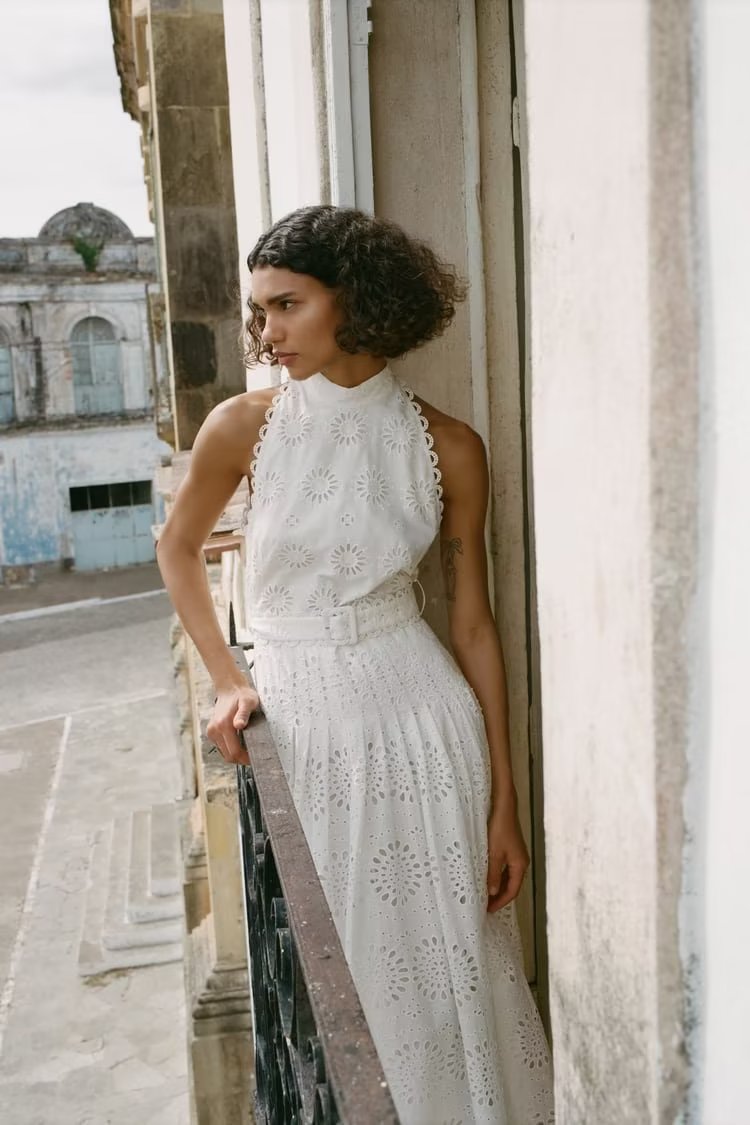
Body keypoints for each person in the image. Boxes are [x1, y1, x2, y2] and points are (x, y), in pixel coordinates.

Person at [157, 204, 554, 1124]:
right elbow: (178, 549)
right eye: (260, 312)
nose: (268, 332)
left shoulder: (451, 446)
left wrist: (506, 801)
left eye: (288, 305)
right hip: (303, 721)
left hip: (426, 725)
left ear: (356, 299)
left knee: (447, 969)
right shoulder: (242, 426)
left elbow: (475, 625)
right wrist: (229, 676)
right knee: (341, 982)